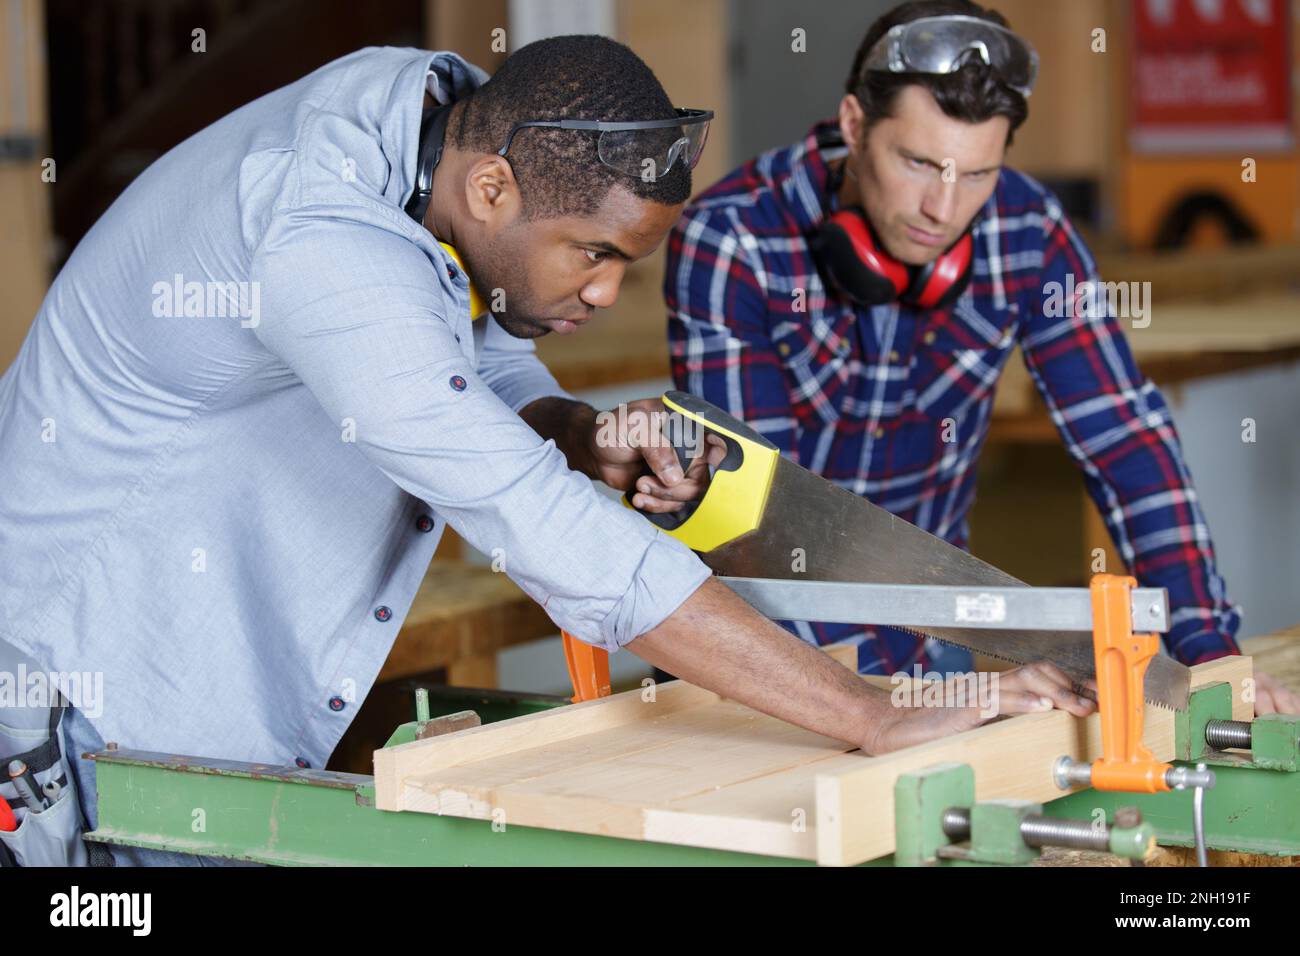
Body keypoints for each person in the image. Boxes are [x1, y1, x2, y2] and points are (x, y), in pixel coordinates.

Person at [0, 35, 1092, 866]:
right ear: (492, 191)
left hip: (202, 704)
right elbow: (536, 524)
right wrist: (870, 712)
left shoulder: (432, 125)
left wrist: (571, 431)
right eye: (595, 254)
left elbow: (456, 349)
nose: (609, 292)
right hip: (79, 718)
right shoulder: (320, 232)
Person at [664, 0, 1299, 714]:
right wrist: (882, 706)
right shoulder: (735, 237)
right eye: (916, 163)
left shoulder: (1027, 229)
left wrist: (1207, 651)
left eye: (976, 175)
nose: (943, 206)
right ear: (852, 125)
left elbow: (1126, 442)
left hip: (932, 649)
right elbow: (758, 517)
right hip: (764, 662)